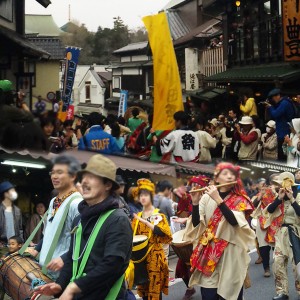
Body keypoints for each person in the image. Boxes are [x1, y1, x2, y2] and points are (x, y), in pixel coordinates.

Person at [34, 154, 132, 299]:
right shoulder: (80, 219)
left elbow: (112, 265)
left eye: (92, 177)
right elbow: (72, 256)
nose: (84, 182)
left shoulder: (118, 219)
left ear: (107, 185)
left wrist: (74, 287)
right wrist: (60, 285)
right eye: (83, 177)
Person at [187, 162, 255, 300]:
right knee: (208, 295)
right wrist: (194, 203)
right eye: (225, 173)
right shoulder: (206, 197)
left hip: (231, 251)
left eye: (232, 174)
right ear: (216, 179)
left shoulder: (239, 199)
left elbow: (235, 222)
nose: (229, 176)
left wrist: (218, 199)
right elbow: (196, 224)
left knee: (229, 295)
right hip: (210, 251)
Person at [27, 155, 83, 279]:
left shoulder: (77, 204)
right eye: (52, 173)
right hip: (45, 270)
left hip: (62, 274)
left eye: (59, 172)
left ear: (73, 176)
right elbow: (49, 233)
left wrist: (64, 258)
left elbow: (83, 241)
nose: (54, 176)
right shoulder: (54, 201)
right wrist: (37, 249)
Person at [132, 178, 172, 300]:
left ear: (151, 196)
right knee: (144, 290)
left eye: (145, 195)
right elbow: (133, 236)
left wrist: (147, 223)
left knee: (155, 290)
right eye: (141, 195)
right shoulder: (137, 216)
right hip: (141, 258)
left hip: (155, 257)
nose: (143, 198)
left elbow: (166, 234)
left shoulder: (158, 214)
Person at [265, 172, 300, 300]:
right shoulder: (279, 197)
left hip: (296, 233)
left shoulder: (298, 196)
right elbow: (269, 210)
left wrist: (292, 199)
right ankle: (282, 292)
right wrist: (279, 198)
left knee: (297, 266)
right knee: (278, 263)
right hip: (280, 233)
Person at [265, 88, 295, 161]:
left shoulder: (284, 103)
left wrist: (270, 107)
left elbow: (275, 114)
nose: (273, 100)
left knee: (284, 154)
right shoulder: (282, 103)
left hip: (285, 134)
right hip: (283, 134)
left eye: (273, 98)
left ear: (278, 95)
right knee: (284, 152)